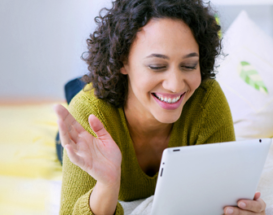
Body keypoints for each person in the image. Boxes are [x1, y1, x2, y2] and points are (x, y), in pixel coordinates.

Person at [54, 0, 267, 214]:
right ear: (122, 62)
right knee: (78, 98)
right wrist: (107, 184)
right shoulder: (89, 113)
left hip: (136, 92)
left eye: (189, 65)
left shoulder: (206, 98)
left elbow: (222, 198)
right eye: (157, 66)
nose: (175, 85)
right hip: (109, 102)